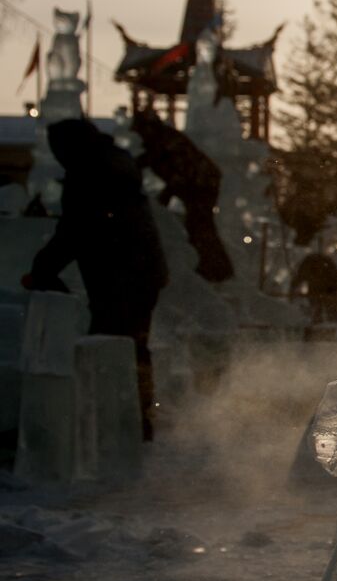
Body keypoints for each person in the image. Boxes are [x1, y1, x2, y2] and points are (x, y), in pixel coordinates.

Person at [25, 118, 170, 440]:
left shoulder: (90, 171)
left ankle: (117, 419)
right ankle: (135, 415)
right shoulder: (112, 162)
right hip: (141, 269)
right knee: (132, 343)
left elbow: (77, 227)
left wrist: (43, 268)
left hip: (122, 273)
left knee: (108, 344)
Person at [131, 107, 235, 283]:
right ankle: (213, 267)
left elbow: (181, 170)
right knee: (197, 224)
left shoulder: (167, 140)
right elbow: (147, 160)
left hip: (202, 185)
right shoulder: (157, 143)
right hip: (197, 185)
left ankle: (217, 269)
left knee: (199, 224)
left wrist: (167, 193)